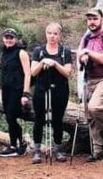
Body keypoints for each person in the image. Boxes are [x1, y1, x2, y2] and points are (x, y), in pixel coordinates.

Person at [76, 7, 103, 162]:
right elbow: (80, 56)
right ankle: (98, 150)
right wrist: (83, 57)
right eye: (89, 19)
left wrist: (87, 53)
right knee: (90, 115)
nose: (92, 22)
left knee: (95, 107)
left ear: (102, 19)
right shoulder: (87, 37)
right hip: (90, 79)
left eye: (95, 18)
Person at [30, 22, 73, 164]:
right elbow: (33, 72)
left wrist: (55, 64)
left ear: (60, 35)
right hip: (41, 89)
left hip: (60, 90)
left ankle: (58, 149)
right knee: (39, 119)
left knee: (57, 120)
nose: (52, 36)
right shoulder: (39, 51)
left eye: (55, 34)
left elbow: (67, 72)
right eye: (50, 33)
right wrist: (43, 62)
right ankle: (36, 150)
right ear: (46, 34)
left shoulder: (64, 51)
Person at [0, 28, 32, 158]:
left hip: (17, 90)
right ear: (3, 39)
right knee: (8, 117)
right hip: (6, 89)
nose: (8, 40)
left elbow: (28, 73)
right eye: (6, 37)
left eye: (11, 38)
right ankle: (20, 144)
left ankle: (14, 146)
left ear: (15, 39)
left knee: (11, 117)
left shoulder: (21, 52)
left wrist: (25, 94)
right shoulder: (4, 52)